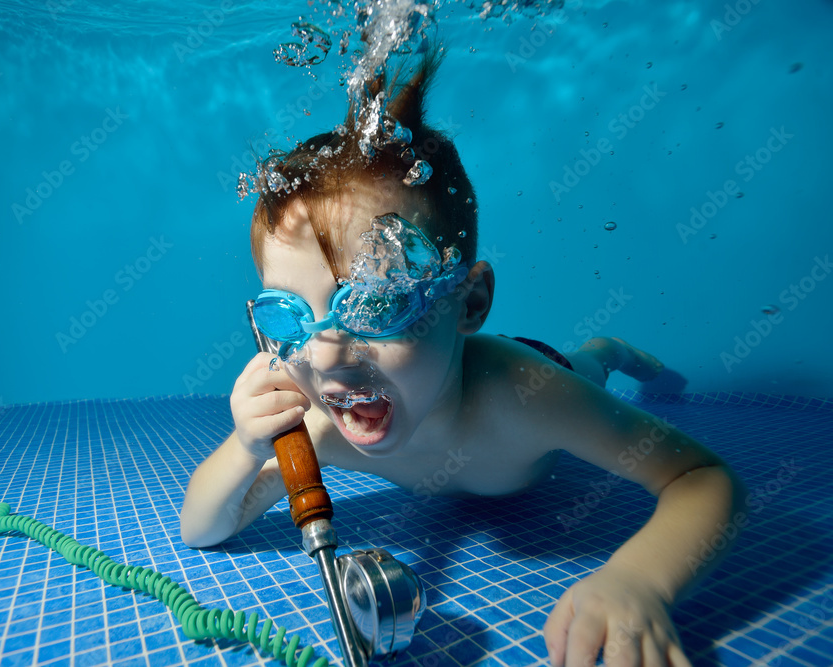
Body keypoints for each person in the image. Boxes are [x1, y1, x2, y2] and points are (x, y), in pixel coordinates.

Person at [181, 49, 744, 667]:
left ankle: (609, 349)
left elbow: (703, 479)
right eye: (287, 317)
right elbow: (203, 528)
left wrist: (639, 581)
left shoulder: (526, 395)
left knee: (588, 366)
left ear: (469, 302)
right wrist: (245, 446)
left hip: (537, 360)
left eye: (375, 304)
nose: (325, 354)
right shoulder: (316, 423)